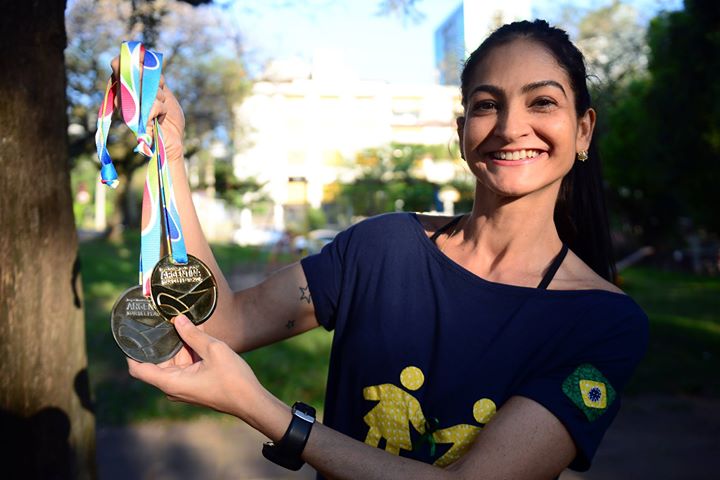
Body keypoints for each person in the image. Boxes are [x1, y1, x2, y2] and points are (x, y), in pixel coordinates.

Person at [123, 19, 648, 479]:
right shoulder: (382, 246)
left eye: (543, 102)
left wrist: (265, 412)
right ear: (463, 131)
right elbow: (224, 323)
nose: (511, 127)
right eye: (488, 104)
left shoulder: (605, 323)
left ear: (583, 130)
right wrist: (170, 156)